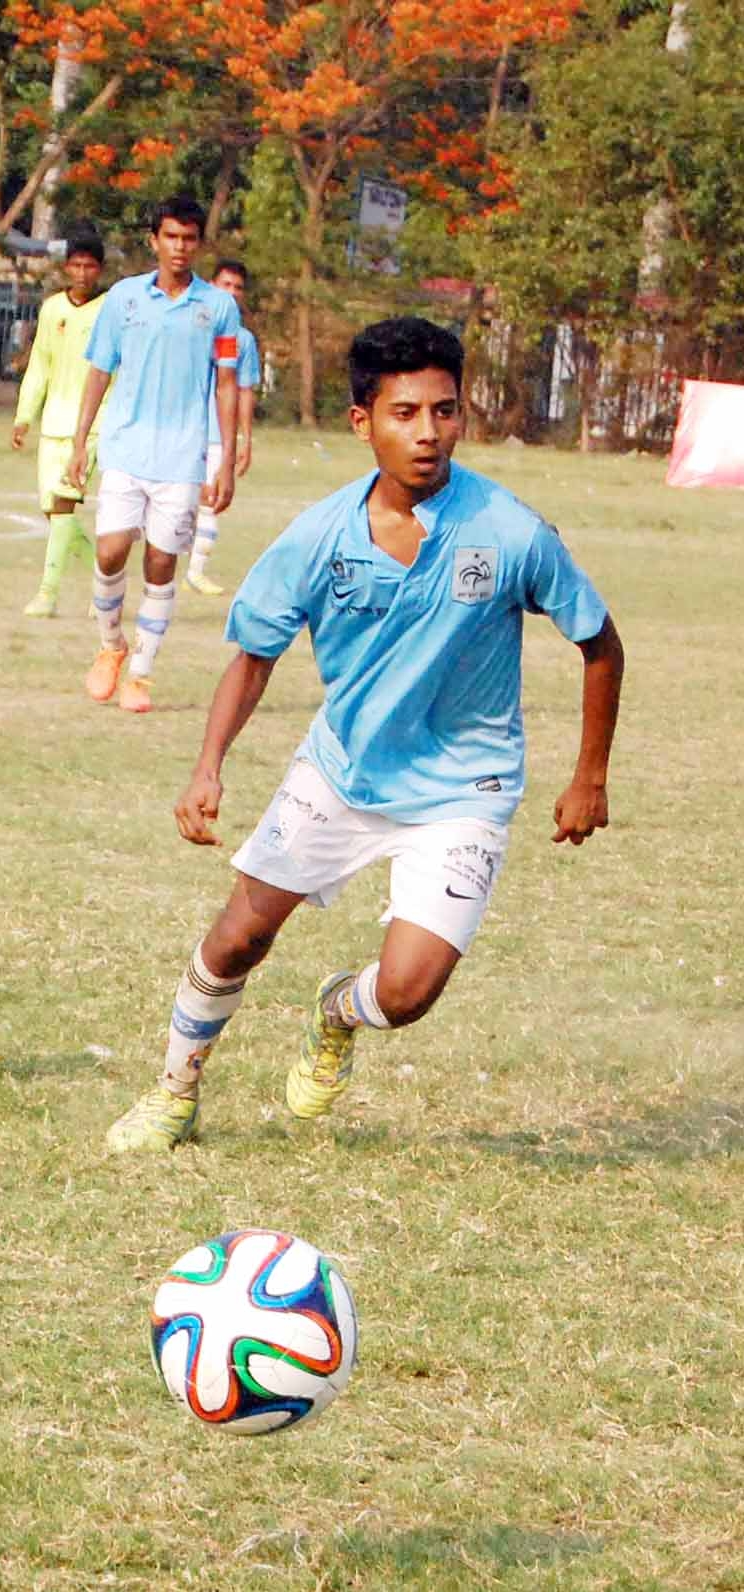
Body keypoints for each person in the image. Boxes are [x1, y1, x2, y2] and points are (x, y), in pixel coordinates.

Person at [103, 317, 624, 1152]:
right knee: (240, 936)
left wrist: (588, 776)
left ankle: (337, 1011)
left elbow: (599, 641)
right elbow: (254, 656)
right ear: (362, 421)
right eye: (405, 412)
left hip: (466, 788)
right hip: (341, 772)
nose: (428, 432)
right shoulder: (316, 537)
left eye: (445, 411)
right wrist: (209, 767)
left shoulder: (511, 529)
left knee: (410, 994)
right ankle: (173, 1092)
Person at [65, 194, 243, 714]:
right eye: (171, 237)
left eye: (189, 238)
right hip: (124, 448)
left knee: (162, 562)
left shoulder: (219, 308)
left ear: (199, 244)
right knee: (109, 551)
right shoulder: (123, 299)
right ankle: (111, 646)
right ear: (154, 241)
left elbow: (227, 384)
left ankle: (141, 673)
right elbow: (99, 369)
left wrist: (226, 458)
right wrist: (82, 442)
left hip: (183, 458)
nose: (180, 247)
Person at [10, 232, 108, 618]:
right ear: (67, 267)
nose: (83, 273)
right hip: (54, 422)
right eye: (77, 264)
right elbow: (40, 364)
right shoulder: (52, 309)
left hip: (93, 425)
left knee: (65, 505)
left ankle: (47, 594)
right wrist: (24, 416)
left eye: (91, 266)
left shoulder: (108, 310)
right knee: (53, 512)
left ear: (100, 270)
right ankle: (107, 575)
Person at [184, 259, 262, 597]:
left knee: (211, 500)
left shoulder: (243, 340)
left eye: (237, 287)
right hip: (182, 429)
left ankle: (196, 571)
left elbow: (244, 390)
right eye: (225, 285)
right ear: (211, 286)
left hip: (218, 434)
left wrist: (245, 438)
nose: (231, 293)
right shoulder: (190, 327)